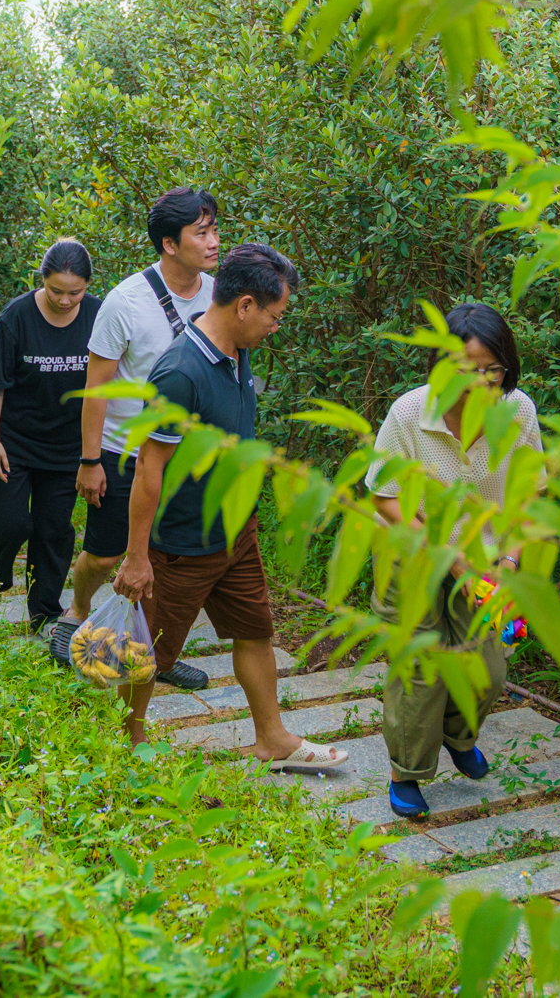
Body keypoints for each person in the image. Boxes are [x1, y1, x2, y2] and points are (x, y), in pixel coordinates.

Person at [114, 243, 347, 768]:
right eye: (273, 316)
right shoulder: (179, 372)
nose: (275, 327)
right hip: (180, 544)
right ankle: (123, 746)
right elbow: (149, 471)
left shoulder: (238, 351)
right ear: (244, 305)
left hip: (235, 532)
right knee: (151, 654)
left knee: (256, 629)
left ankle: (273, 739)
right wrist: (136, 556)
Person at [366, 302, 543, 820]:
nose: (485, 380)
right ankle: (407, 771)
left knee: (487, 667)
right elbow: (385, 497)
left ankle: (457, 736)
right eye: (471, 369)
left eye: (495, 368)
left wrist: (509, 562)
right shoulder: (408, 414)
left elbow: (527, 496)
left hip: (485, 557)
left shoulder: (519, 411)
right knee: (422, 674)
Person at [49, 186, 223, 692]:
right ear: (170, 243)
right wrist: (88, 461)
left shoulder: (219, 295)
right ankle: (76, 609)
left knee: (171, 563)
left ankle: (158, 651)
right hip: (124, 451)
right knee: (107, 556)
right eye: (202, 232)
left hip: (187, 457)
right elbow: (95, 389)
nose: (213, 241)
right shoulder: (126, 301)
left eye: (214, 229)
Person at [0, 238, 102, 627]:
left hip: (66, 446)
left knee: (53, 530)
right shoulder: (17, 316)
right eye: (56, 290)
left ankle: (43, 609)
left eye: (74, 292)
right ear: (41, 280)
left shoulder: (99, 315)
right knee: (11, 523)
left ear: (88, 286)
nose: (64, 300)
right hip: (12, 438)